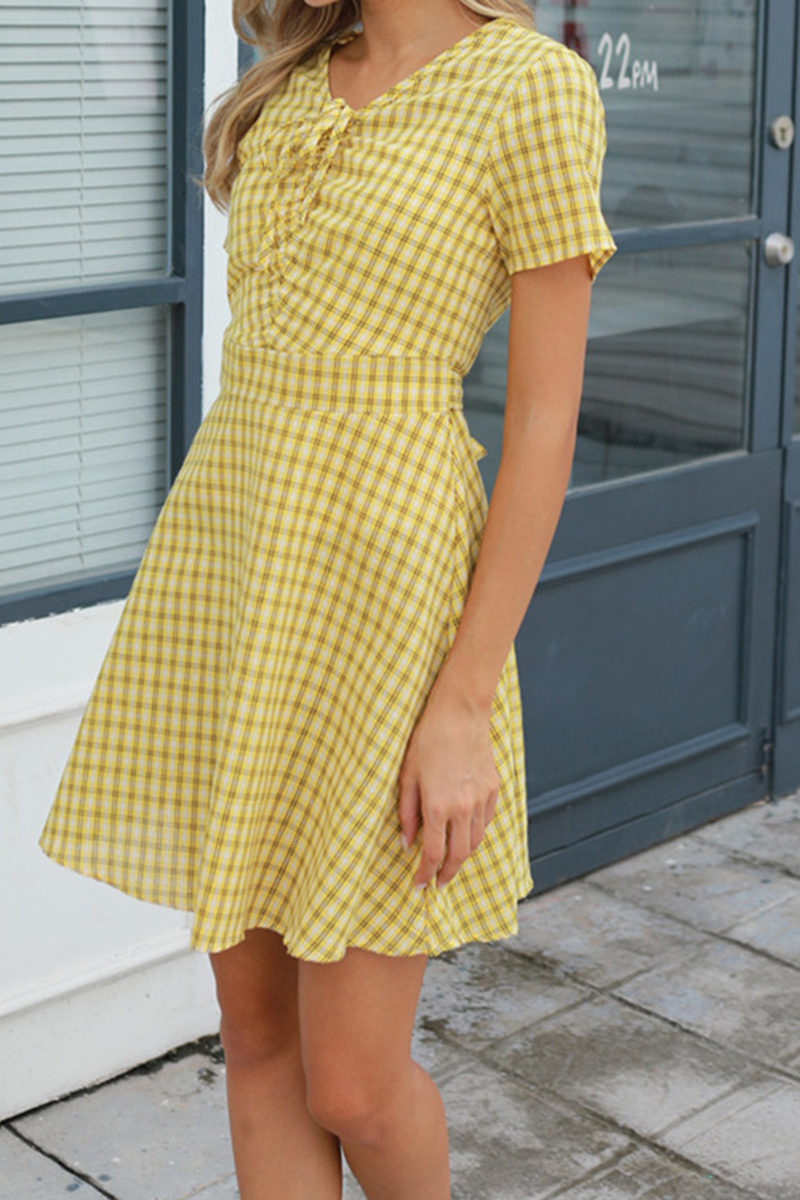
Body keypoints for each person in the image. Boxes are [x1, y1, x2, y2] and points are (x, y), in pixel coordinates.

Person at [38, 0, 617, 1196]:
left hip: (388, 597)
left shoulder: (527, 85)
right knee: (255, 1041)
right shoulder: (294, 76)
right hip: (235, 569)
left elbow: (543, 420)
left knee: (351, 1083)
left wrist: (461, 703)